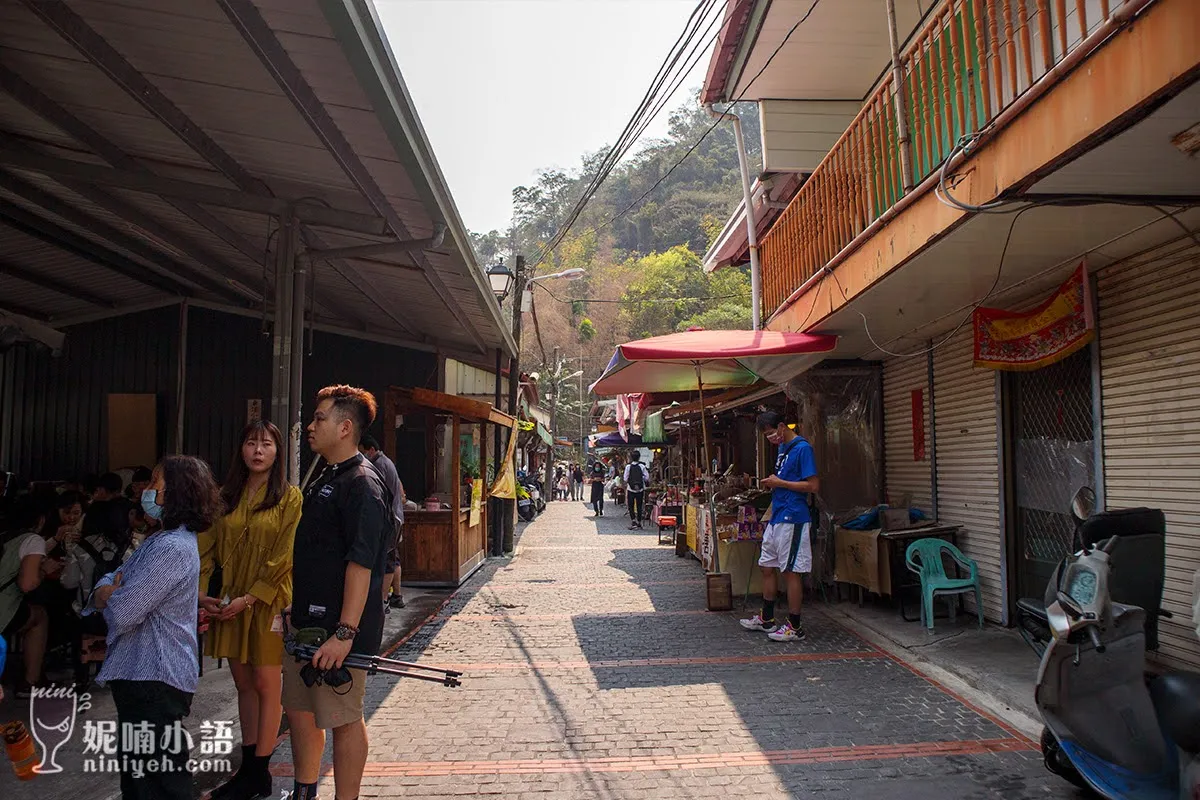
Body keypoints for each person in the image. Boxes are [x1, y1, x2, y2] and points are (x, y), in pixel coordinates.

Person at [86, 456, 218, 800]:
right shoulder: (160, 540)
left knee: (155, 780)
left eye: (155, 483)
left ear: (176, 494)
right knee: (143, 776)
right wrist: (108, 590)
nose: (147, 490)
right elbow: (114, 582)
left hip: (153, 677)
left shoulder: (171, 547)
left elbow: (124, 610)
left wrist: (108, 593)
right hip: (144, 676)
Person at [285, 385, 392, 800]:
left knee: (343, 718)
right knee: (300, 711)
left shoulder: (364, 484)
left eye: (320, 419)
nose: (311, 427)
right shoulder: (327, 475)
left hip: (340, 634)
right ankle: (303, 790)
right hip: (308, 625)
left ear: (345, 427)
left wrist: (345, 633)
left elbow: (362, 564)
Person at [200, 420, 303, 800]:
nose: (258, 451)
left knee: (267, 683)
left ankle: (259, 768)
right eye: (250, 443)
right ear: (241, 449)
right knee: (243, 684)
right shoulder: (224, 496)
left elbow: (283, 557)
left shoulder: (290, 498)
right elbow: (205, 547)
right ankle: (249, 768)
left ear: (277, 452)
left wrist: (251, 597)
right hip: (228, 602)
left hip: (268, 600)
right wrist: (201, 595)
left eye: (266, 444)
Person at [739, 411, 819, 643]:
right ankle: (767, 618)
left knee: (790, 571)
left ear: (782, 426)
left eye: (771, 433)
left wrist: (780, 483)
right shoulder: (783, 448)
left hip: (793, 517)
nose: (770, 438)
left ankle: (795, 626)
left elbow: (813, 485)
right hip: (777, 515)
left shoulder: (802, 448)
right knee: (767, 565)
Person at [0, 500, 60, 698]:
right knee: (39, 616)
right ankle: (30, 681)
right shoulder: (32, 540)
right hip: (2, 610)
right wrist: (44, 570)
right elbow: (27, 583)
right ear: (41, 520)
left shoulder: (5, 537)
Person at [359, 434, 405, 611]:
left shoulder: (378, 465)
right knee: (393, 558)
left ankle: (382, 601)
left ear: (371, 450)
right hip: (396, 516)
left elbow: (378, 494)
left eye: (363, 453)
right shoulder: (387, 462)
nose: (362, 457)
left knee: (387, 559)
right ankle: (396, 596)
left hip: (389, 520)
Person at [624, 452, 650, 530]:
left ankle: (633, 521)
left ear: (631, 457)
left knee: (631, 506)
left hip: (630, 489)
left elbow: (625, 478)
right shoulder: (642, 466)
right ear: (639, 457)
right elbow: (647, 477)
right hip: (640, 489)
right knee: (639, 506)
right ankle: (639, 522)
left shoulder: (628, 467)